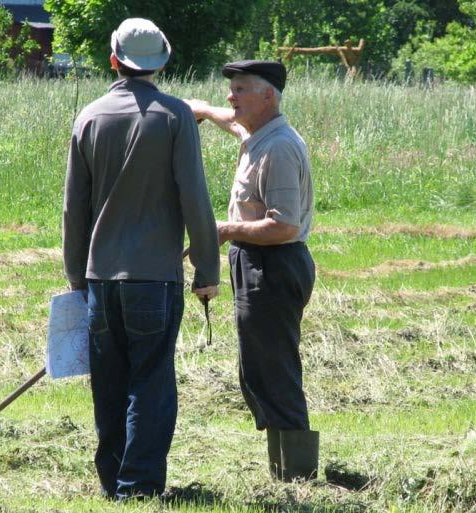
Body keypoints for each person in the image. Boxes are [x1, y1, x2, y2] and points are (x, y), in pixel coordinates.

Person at [62, 18, 220, 500]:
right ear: (164, 62)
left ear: (114, 60)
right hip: (155, 279)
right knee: (150, 384)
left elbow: (75, 209)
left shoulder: (88, 117)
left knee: (109, 383)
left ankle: (113, 483)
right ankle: (139, 488)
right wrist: (208, 272)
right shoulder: (174, 117)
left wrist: (76, 277)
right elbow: (195, 199)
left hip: (101, 279)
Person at [185, 60, 318, 481]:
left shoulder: (278, 148)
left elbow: (284, 225)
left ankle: (296, 476)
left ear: (268, 97)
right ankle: (284, 471)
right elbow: (232, 122)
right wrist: (204, 110)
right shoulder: (256, 132)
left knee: (273, 370)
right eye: (231, 89)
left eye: (240, 89)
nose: (232, 96)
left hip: (273, 265)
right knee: (260, 368)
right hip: (258, 263)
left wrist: (223, 230)